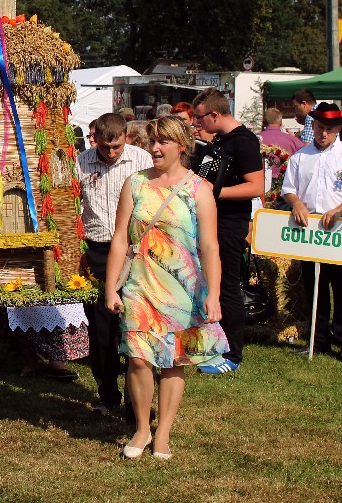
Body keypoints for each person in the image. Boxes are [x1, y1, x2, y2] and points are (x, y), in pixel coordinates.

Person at [106, 116, 228, 460]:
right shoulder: (135, 184)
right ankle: (143, 428)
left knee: (174, 362)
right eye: (152, 141)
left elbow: (210, 246)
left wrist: (214, 294)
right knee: (138, 360)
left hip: (182, 291)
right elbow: (119, 238)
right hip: (138, 286)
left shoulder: (198, 189)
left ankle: (164, 433)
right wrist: (110, 288)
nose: (155, 148)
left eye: (163, 142)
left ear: (182, 146)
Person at [75, 113, 153, 416]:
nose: (111, 153)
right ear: (96, 139)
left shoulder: (141, 159)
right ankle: (107, 392)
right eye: (105, 148)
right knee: (102, 326)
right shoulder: (81, 162)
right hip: (98, 248)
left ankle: (138, 397)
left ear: (126, 138)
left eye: (117, 147)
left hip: (135, 248)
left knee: (135, 322)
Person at [281, 103, 342, 362]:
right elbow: (289, 188)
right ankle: (318, 340)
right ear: (314, 127)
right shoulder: (301, 156)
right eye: (320, 128)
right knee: (315, 287)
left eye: (329, 129)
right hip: (310, 229)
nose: (323, 134)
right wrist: (296, 203)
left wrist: (340, 209)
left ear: (338, 129)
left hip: (340, 227)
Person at [192, 87, 264, 373]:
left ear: (214, 114)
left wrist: (214, 192)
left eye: (199, 118)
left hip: (230, 224)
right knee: (210, 283)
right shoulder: (220, 139)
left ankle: (232, 354)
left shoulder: (244, 142)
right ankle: (212, 343)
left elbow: (257, 187)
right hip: (211, 221)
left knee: (228, 287)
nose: (197, 123)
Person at [259, 107, 304, 178]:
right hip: (284, 181)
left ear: (263, 122)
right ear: (280, 122)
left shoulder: (255, 139)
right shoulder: (292, 141)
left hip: (258, 181)